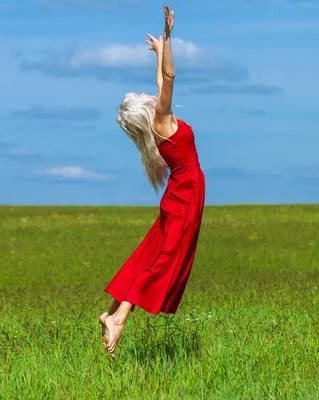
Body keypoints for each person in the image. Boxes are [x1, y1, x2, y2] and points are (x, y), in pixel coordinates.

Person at [98, 4, 206, 358]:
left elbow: (162, 82)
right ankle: (119, 320)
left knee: (148, 254)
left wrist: (159, 50)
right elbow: (170, 79)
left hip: (179, 194)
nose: (149, 94)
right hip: (187, 195)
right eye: (141, 98)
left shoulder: (158, 121)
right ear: (143, 110)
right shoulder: (161, 118)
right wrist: (169, 38)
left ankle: (112, 312)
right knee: (162, 261)